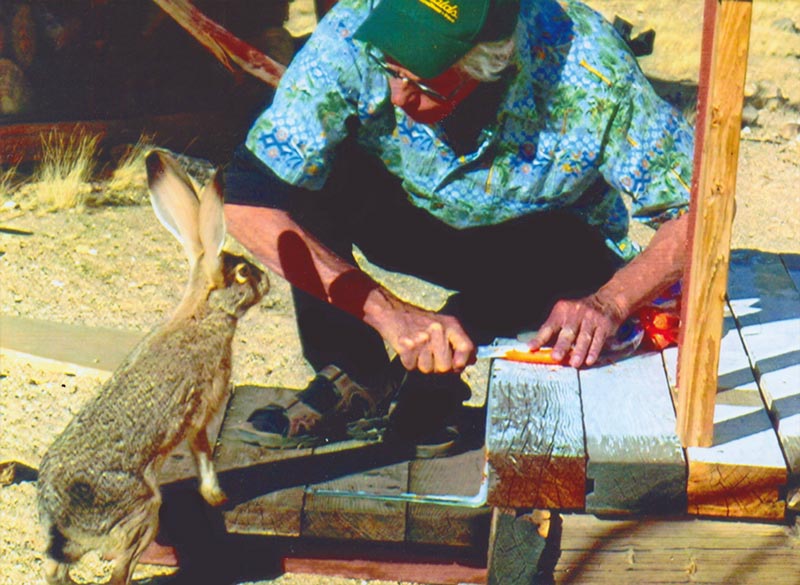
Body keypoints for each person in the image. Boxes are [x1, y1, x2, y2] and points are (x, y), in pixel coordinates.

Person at [222, 0, 694, 450]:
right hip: (397, 221)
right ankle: (355, 372)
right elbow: (248, 201)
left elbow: (695, 214)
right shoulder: (354, 33)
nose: (396, 94)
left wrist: (609, 302)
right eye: (391, 69)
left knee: (572, 260)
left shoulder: (590, 69)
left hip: (541, 252)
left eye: (422, 83)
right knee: (301, 174)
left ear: (492, 65)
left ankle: (443, 361)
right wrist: (388, 313)